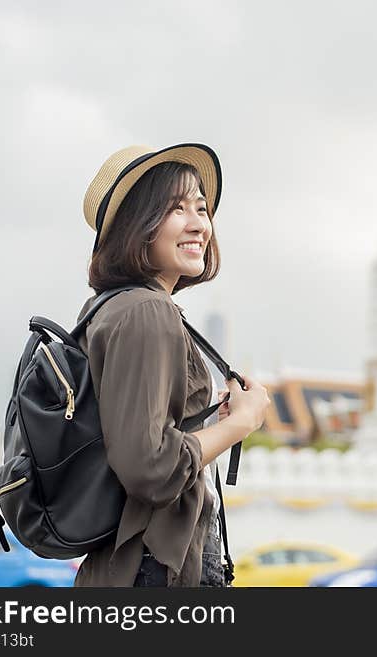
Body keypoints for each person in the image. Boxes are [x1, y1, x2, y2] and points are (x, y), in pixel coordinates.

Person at [72, 143, 270, 587]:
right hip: (152, 571)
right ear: (136, 226)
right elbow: (149, 468)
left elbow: (138, 443)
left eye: (201, 208)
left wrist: (204, 426)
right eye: (176, 208)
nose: (200, 224)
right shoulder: (147, 312)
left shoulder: (107, 308)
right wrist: (242, 423)